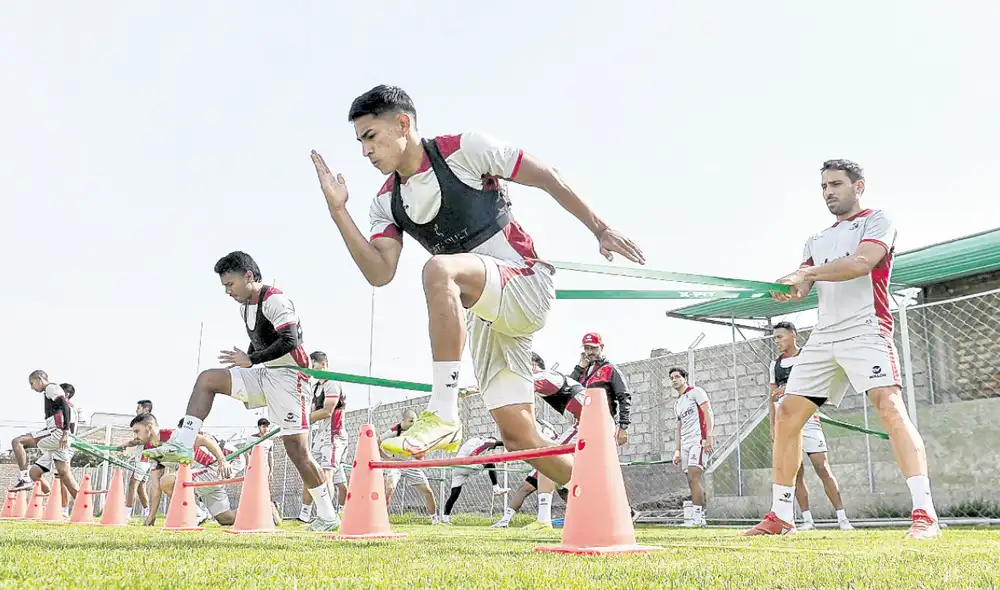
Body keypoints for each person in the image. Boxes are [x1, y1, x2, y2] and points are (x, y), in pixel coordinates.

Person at [311, 85, 644, 493]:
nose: (365, 151)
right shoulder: (386, 202)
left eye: (371, 136)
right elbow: (380, 273)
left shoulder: (464, 149)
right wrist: (338, 211)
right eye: (359, 141)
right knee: (521, 437)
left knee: (439, 270)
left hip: (525, 282)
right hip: (486, 311)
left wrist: (600, 228)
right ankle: (605, 498)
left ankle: (444, 412)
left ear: (403, 124)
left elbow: (546, 176)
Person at [746, 159, 939, 539]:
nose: (829, 192)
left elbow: (861, 263)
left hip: (867, 327)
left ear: (858, 186)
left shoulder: (878, 220)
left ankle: (925, 513)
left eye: (836, 184)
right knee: (786, 415)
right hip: (824, 334)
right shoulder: (816, 240)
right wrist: (787, 288)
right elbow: (802, 287)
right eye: (824, 187)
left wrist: (806, 273)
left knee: (888, 405)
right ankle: (781, 516)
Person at [142, 251, 340, 532]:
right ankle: (184, 441)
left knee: (298, 453)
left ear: (248, 276)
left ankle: (328, 516)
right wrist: (248, 361)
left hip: (289, 379)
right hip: (263, 373)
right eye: (224, 286)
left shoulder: (275, 299)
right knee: (208, 379)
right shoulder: (244, 306)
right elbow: (258, 343)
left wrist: (252, 360)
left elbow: (290, 339)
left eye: (230, 284)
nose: (228, 292)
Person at [769, 321, 854, 531]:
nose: (777, 342)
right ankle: (807, 520)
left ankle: (842, 518)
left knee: (822, 467)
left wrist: (789, 389)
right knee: (795, 473)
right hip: (785, 422)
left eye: (780, 337)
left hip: (809, 420)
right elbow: (772, 397)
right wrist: (773, 427)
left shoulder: (809, 357)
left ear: (793, 335)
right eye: (774, 338)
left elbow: (821, 385)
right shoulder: (775, 364)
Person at [9, 374, 80, 518]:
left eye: (32, 383)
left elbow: (64, 406)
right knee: (63, 474)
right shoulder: (58, 400)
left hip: (57, 436)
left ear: (40, 379)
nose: (32, 387)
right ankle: (81, 505)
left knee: (18, 442)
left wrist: (65, 432)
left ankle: (24, 479)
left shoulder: (51, 388)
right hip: (58, 438)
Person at [299, 351, 349, 522]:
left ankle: (328, 516)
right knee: (313, 474)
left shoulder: (333, 383)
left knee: (326, 474)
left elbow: (327, 411)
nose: (311, 371)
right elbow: (312, 413)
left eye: (312, 366)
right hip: (320, 437)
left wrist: (303, 419)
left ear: (322, 364)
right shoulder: (316, 387)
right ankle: (304, 515)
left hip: (334, 437)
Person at [669, 368, 713, 527]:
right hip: (686, 443)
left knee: (695, 477)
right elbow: (678, 428)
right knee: (690, 480)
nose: (674, 380)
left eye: (677, 377)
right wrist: (678, 450)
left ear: (684, 378)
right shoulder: (678, 403)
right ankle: (698, 517)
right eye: (672, 378)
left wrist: (708, 438)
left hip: (698, 441)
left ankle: (698, 518)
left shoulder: (696, 392)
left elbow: (708, 413)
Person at [569, 333, 632, 446]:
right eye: (586, 348)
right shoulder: (583, 370)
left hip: (604, 422)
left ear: (601, 347)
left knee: (601, 459)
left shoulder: (610, 369)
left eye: (593, 348)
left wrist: (623, 427)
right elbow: (568, 389)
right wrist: (579, 368)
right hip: (583, 423)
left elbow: (624, 396)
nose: (589, 352)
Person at [378, 409, 440, 524]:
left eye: (414, 422)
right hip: (395, 463)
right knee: (389, 488)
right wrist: (387, 458)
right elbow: (377, 441)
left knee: (427, 491)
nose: (413, 424)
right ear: (403, 421)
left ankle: (435, 519)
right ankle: (382, 519)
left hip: (410, 464)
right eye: (410, 421)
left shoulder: (416, 432)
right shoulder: (393, 431)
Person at [442, 435, 507, 525]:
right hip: (466, 464)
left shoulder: (472, 442)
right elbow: (493, 443)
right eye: (492, 447)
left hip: (456, 467)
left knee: (454, 494)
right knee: (490, 461)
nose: (491, 448)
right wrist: (510, 442)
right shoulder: (484, 441)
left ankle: (445, 520)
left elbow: (475, 451)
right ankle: (496, 489)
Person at [118, 399, 154, 519]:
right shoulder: (149, 422)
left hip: (143, 460)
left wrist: (126, 444)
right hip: (146, 460)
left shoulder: (147, 422)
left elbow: (142, 440)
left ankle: (127, 514)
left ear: (146, 409)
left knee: (132, 485)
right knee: (140, 487)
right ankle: (147, 511)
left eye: (138, 408)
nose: (136, 410)